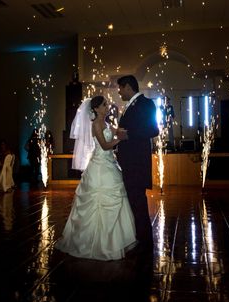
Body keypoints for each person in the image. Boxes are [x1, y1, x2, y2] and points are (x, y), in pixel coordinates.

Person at [55, 96, 136, 260]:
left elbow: (118, 132)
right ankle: (96, 243)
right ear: (96, 109)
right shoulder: (96, 124)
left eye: (106, 104)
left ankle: (115, 240)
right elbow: (105, 145)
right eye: (104, 105)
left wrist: (129, 133)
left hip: (109, 163)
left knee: (116, 198)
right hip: (99, 166)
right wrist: (118, 139)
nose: (107, 107)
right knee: (98, 199)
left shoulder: (106, 123)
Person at [116, 75, 160, 252]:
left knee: (138, 203)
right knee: (134, 203)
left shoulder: (146, 104)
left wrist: (128, 134)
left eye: (120, 88)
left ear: (127, 87)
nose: (119, 92)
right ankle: (140, 239)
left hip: (136, 164)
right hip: (129, 163)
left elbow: (153, 129)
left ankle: (145, 242)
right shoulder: (129, 106)